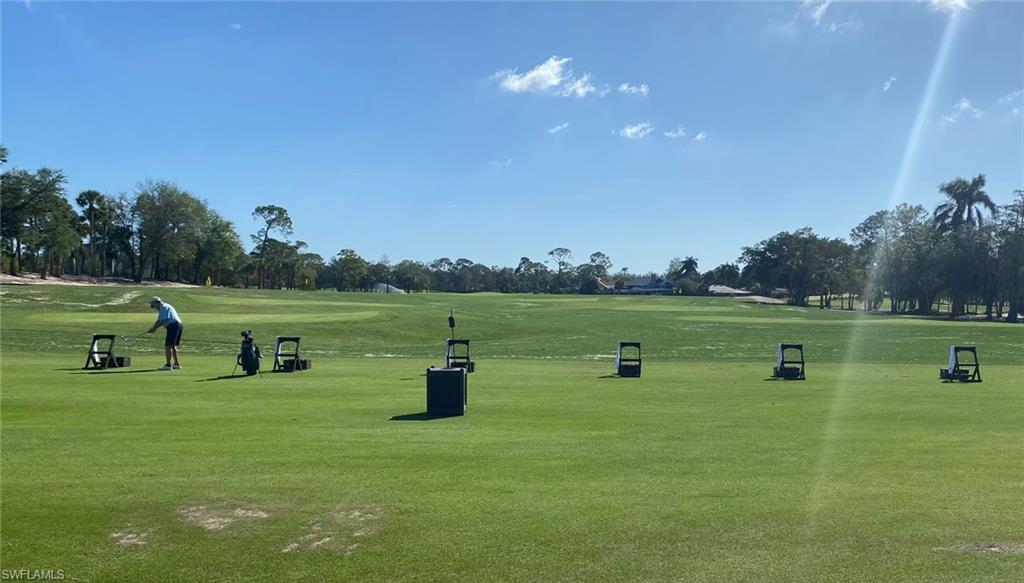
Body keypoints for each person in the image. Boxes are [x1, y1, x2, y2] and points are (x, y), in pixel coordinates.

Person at [146, 296, 183, 370]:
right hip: (178, 325)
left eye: (153, 305)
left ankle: (168, 365)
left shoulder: (163, 307)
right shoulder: (164, 307)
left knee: (168, 346)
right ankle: (176, 364)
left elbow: (164, 320)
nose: (153, 307)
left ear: (157, 302)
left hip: (173, 326)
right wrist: (153, 328)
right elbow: (159, 321)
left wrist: (154, 328)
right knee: (173, 346)